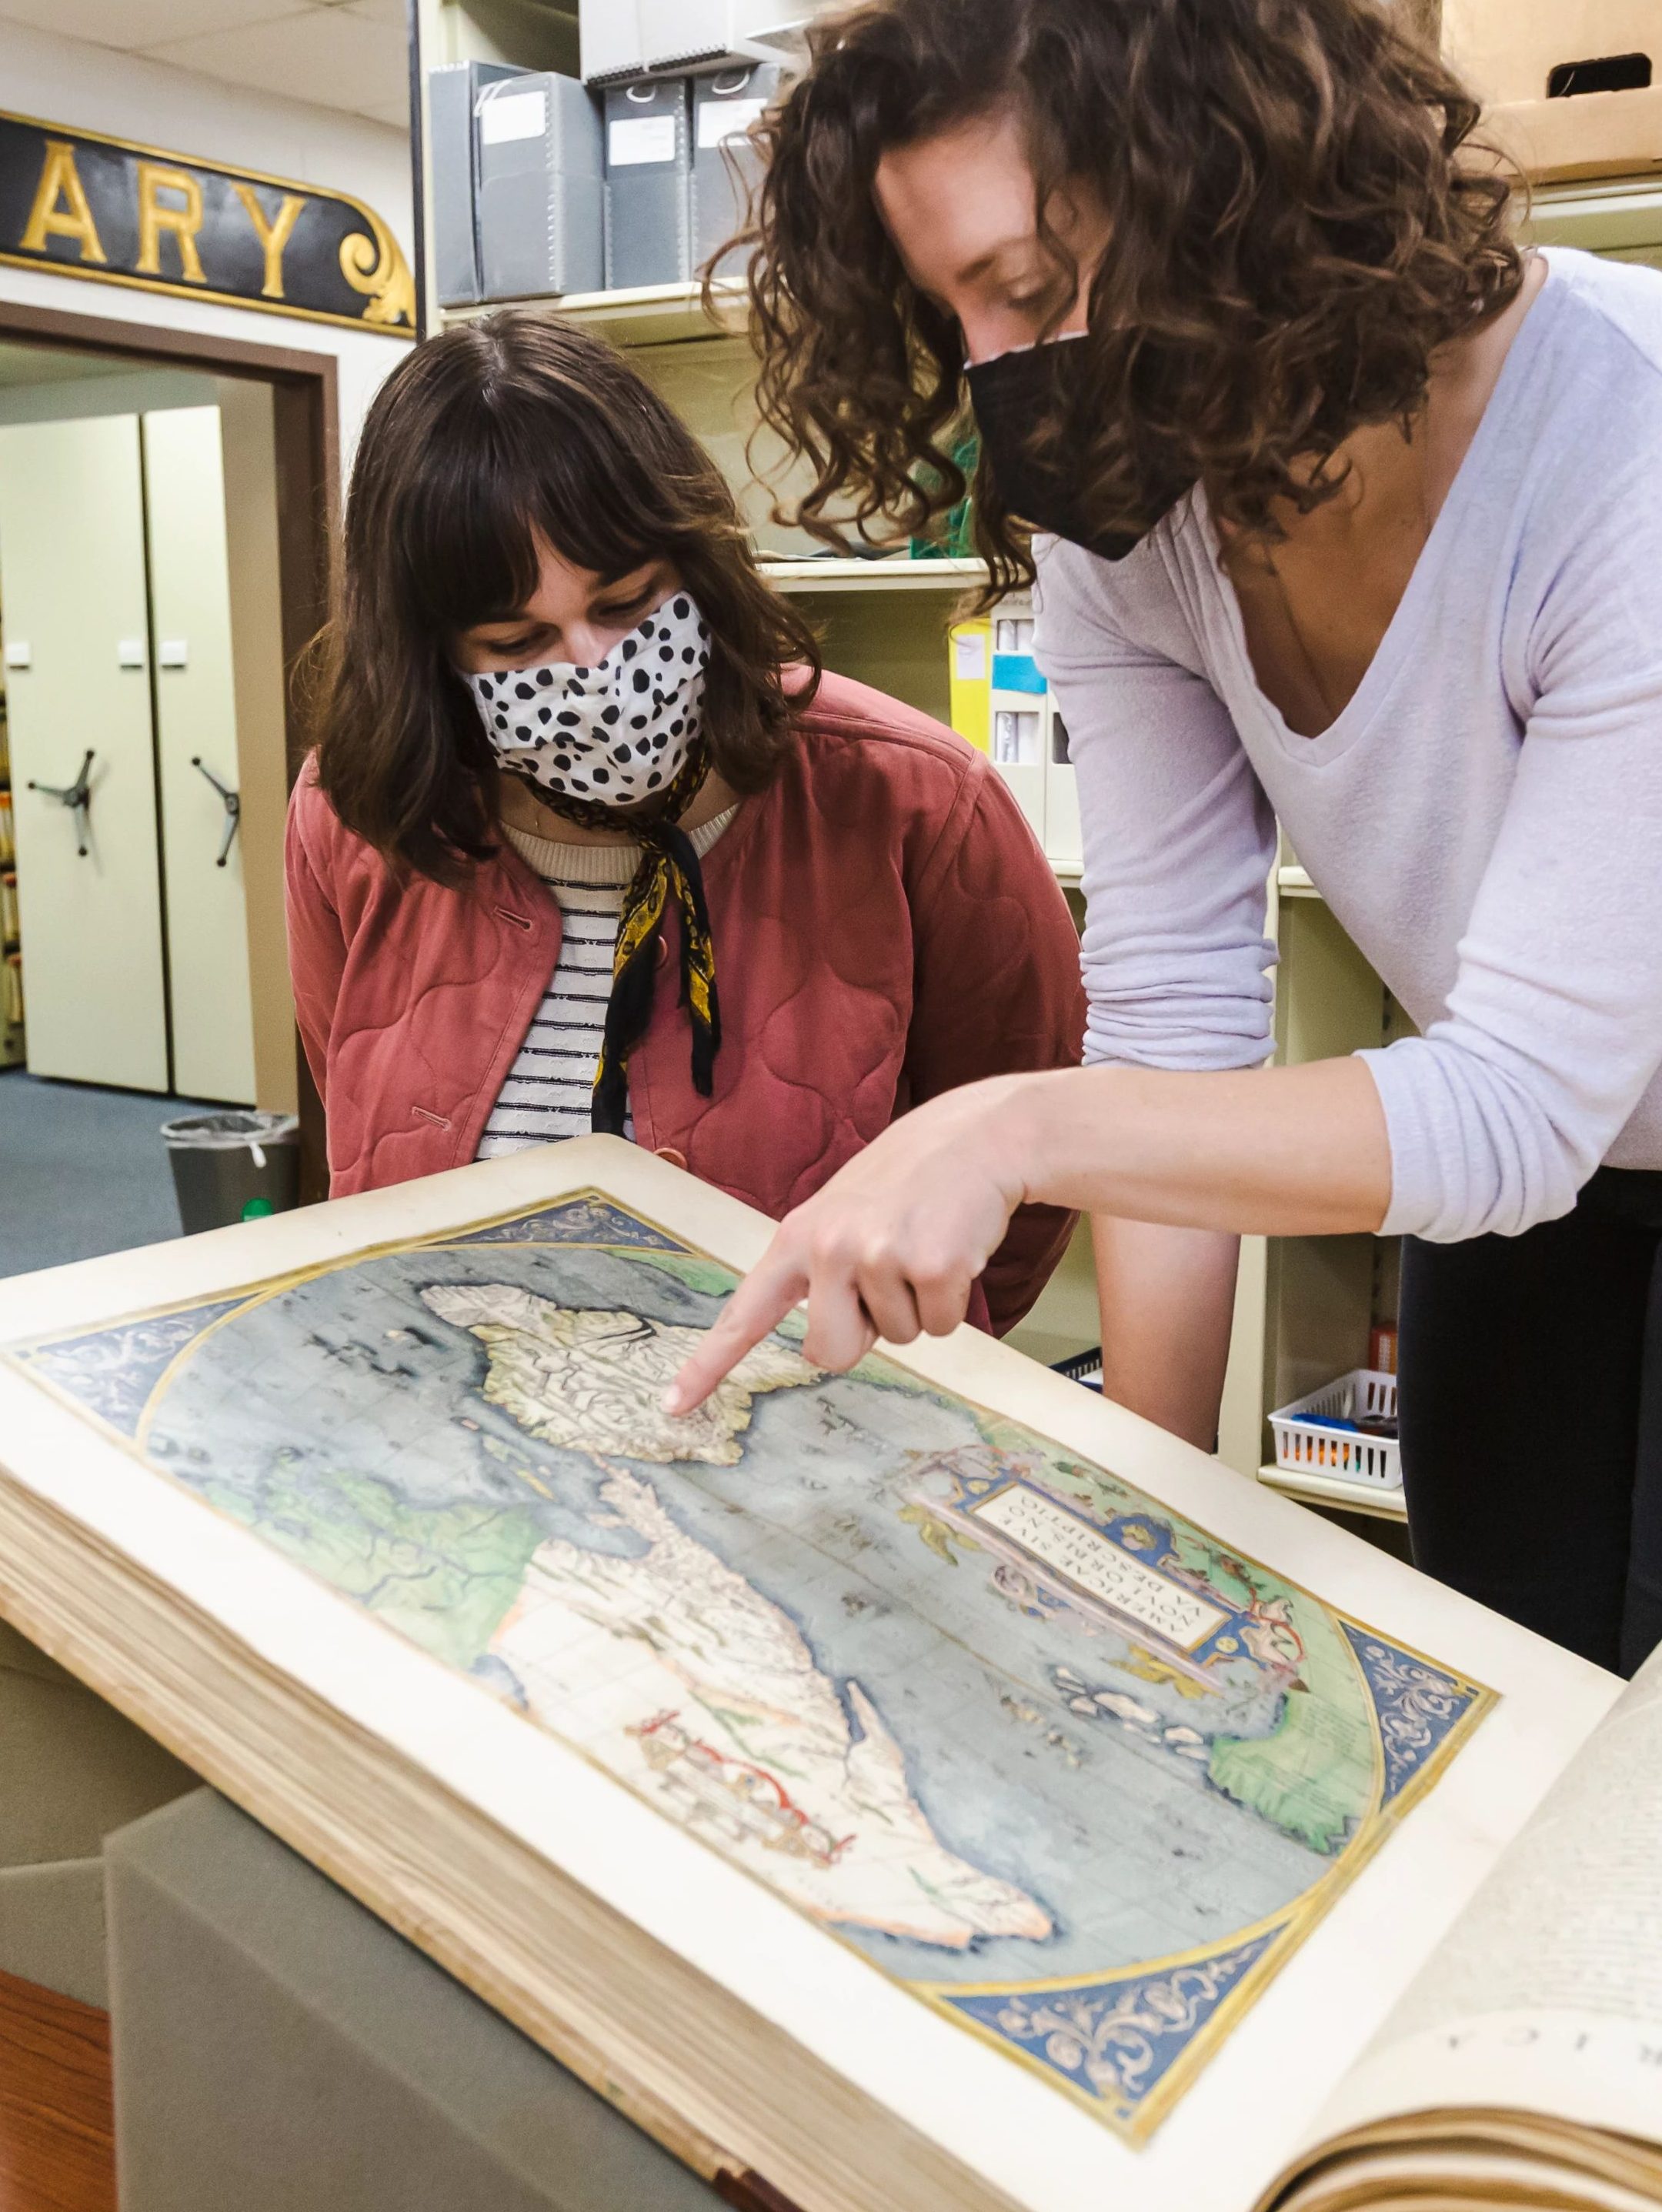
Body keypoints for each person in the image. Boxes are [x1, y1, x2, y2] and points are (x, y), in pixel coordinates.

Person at [666, 0, 1662, 1678]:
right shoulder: (1139, 508)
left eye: (1035, 291)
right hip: (1534, 1198)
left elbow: (1517, 1095)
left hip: (1537, 1111)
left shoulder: (1619, 442)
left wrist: (1006, 1129)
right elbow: (1174, 1023)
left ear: (1234, 182)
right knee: (1520, 1677)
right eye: (951, 311)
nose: (995, 372)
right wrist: (1143, 1523)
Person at [285, 310, 1084, 1340]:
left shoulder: (918, 802)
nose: (589, 664)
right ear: (429, 656)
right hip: (461, 1446)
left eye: (626, 602)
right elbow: (356, 1116)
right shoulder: (354, 817)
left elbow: (1024, 1179)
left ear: (696, 563)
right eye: (516, 638)